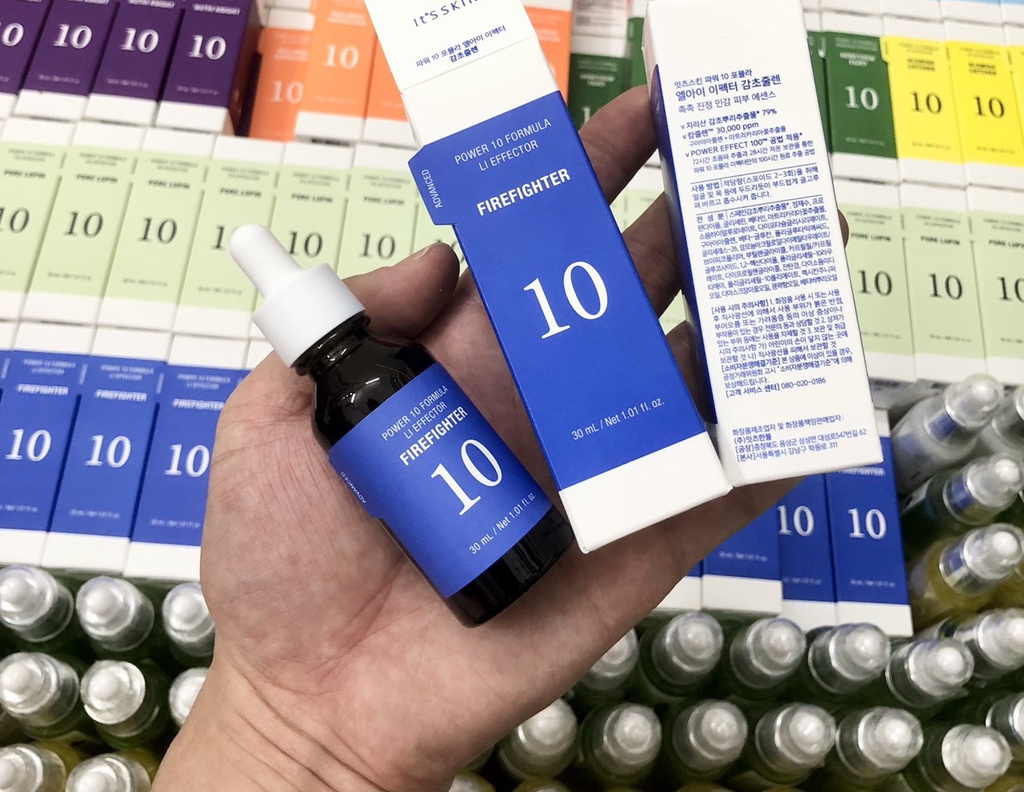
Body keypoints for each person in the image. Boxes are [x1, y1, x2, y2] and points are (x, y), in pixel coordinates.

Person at [153, 86, 802, 792]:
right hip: (471, 583)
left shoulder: (392, 364)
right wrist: (290, 728)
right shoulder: (333, 412)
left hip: (530, 531)